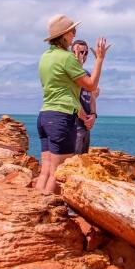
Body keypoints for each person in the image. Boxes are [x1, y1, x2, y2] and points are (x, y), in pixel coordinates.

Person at [36, 15, 108, 194]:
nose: (75, 33)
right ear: (64, 35)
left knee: (45, 170)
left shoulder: (45, 57)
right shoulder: (67, 58)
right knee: (59, 173)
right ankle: (50, 213)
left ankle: (36, 211)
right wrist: (99, 59)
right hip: (61, 118)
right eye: (72, 31)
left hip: (45, 115)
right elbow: (91, 85)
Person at [72, 40, 98, 154]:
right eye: (80, 52)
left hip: (86, 124)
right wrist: (85, 118)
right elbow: (73, 97)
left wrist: (93, 115)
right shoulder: (70, 72)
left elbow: (93, 94)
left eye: (86, 53)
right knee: (73, 160)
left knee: (82, 159)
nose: (83, 55)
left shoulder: (87, 74)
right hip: (75, 123)